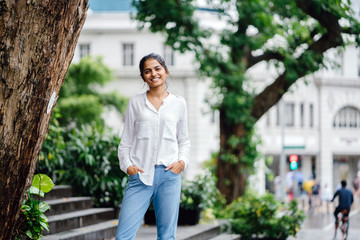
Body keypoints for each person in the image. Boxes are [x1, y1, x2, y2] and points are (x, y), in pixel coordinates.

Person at [115, 53, 190, 240]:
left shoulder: (179, 103)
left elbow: (184, 140)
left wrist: (181, 162)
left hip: (169, 176)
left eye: (157, 69)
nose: (153, 74)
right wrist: (128, 166)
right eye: (147, 71)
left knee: (166, 236)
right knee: (123, 236)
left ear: (165, 71)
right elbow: (125, 142)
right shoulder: (135, 102)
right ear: (143, 77)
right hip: (140, 176)